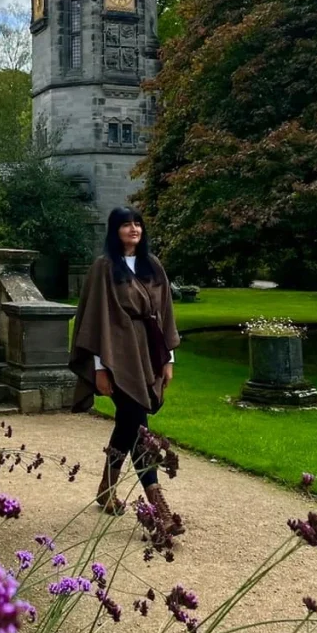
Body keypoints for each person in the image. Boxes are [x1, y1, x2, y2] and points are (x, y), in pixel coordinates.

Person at [69, 207, 184, 532]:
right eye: (125, 225)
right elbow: (95, 320)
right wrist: (100, 368)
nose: (133, 229)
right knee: (138, 426)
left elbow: (164, 314)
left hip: (148, 352)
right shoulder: (104, 268)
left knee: (127, 425)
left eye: (137, 224)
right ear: (114, 231)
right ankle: (158, 507)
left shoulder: (153, 265)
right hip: (117, 357)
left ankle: (106, 491)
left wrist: (168, 359)